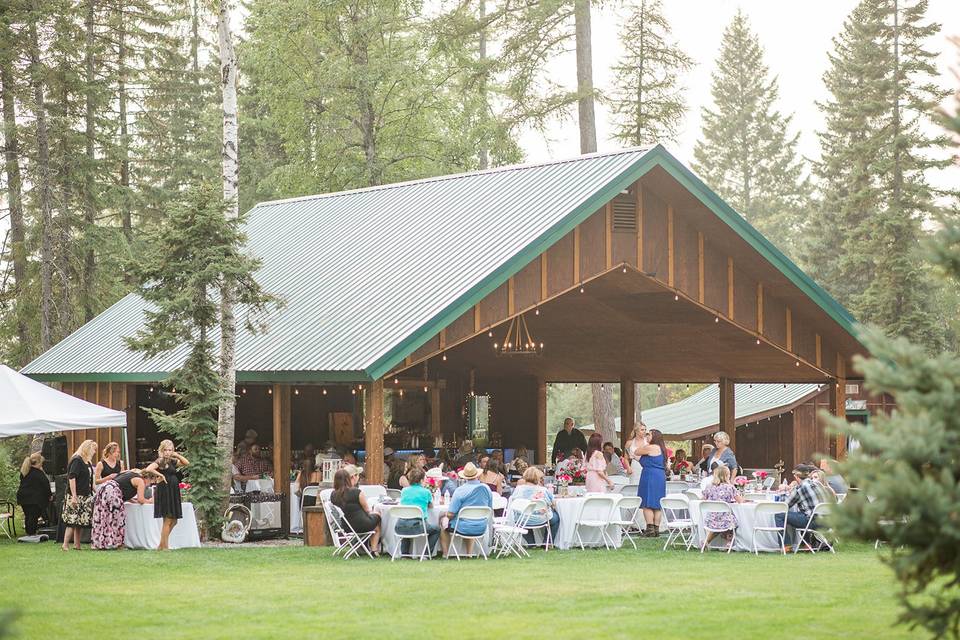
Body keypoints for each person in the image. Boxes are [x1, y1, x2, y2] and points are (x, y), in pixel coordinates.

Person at [91, 469, 161, 550]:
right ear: (149, 478)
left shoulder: (131, 474)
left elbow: (125, 488)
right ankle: (118, 545)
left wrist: (133, 501)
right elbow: (141, 500)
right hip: (113, 491)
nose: (149, 485)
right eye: (151, 482)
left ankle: (99, 543)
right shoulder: (140, 481)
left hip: (104, 488)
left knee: (103, 516)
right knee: (118, 519)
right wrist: (150, 501)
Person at [774, 464, 835, 550]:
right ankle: (806, 545)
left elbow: (785, 506)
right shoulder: (818, 484)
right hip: (828, 522)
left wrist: (783, 492)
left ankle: (786, 545)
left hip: (813, 523)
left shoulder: (800, 488)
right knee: (803, 514)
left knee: (779, 515)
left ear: (796, 476)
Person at [440, 462, 493, 557]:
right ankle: (469, 554)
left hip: (463, 527)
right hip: (481, 526)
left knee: (443, 522)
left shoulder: (460, 490)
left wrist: (444, 514)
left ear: (464, 477)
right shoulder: (486, 489)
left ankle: (445, 553)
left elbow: (451, 514)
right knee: (470, 519)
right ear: (477, 475)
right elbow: (489, 509)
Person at [146, 440, 190, 551]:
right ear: (162, 450)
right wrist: (160, 474)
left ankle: (161, 544)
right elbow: (149, 468)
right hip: (165, 489)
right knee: (168, 519)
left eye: (170, 450)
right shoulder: (160, 460)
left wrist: (176, 455)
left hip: (173, 490)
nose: (167, 452)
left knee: (174, 520)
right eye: (165, 449)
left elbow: (186, 463)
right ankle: (164, 547)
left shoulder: (172, 461)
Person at [330, 466, 381, 556]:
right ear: (351, 478)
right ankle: (374, 549)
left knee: (373, 521)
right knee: (377, 520)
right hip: (361, 524)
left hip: (345, 526)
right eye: (357, 475)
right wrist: (375, 513)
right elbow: (367, 510)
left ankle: (362, 547)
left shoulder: (333, 495)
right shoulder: (357, 492)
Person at [509, 466, 560, 547]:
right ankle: (547, 542)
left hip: (521, 519)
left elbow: (513, 502)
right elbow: (552, 503)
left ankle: (531, 543)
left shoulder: (518, 489)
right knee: (556, 518)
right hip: (539, 519)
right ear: (538, 478)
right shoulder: (543, 490)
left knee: (524, 519)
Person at [395, 468, 441, 556]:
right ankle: (427, 554)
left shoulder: (404, 491)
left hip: (400, 525)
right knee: (436, 529)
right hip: (417, 526)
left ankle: (405, 553)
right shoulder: (426, 492)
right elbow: (431, 506)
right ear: (421, 480)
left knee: (407, 521)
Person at [62, 439, 97, 551]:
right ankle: (65, 544)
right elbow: (72, 478)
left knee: (80, 521)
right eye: (93, 449)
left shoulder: (87, 462)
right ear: (87, 448)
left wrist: (95, 490)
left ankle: (77, 544)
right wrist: (74, 496)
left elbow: (89, 479)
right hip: (76, 495)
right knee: (72, 520)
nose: (94, 451)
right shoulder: (77, 460)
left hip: (86, 495)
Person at [632, 427, 667, 536]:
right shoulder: (662, 449)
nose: (647, 436)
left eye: (649, 435)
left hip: (650, 475)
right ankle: (656, 529)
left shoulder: (651, 447)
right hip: (660, 476)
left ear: (654, 437)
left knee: (647, 503)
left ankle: (649, 529)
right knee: (657, 503)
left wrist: (644, 442)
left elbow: (637, 451)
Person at [701, 465, 742, 548]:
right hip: (725, 519)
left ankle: (706, 541)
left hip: (710, 519)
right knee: (735, 521)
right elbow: (740, 501)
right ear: (726, 476)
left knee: (719, 524)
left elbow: (702, 499)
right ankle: (729, 542)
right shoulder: (730, 487)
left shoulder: (709, 487)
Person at [17, 453, 52, 536]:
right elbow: (46, 484)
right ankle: (32, 533)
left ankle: (29, 532)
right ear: (39, 463)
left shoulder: (25, 471)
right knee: (33, 516)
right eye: (42, 463)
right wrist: (49, 495)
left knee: (28, 515)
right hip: (34, 498)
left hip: (23, 497)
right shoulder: (39, 473)